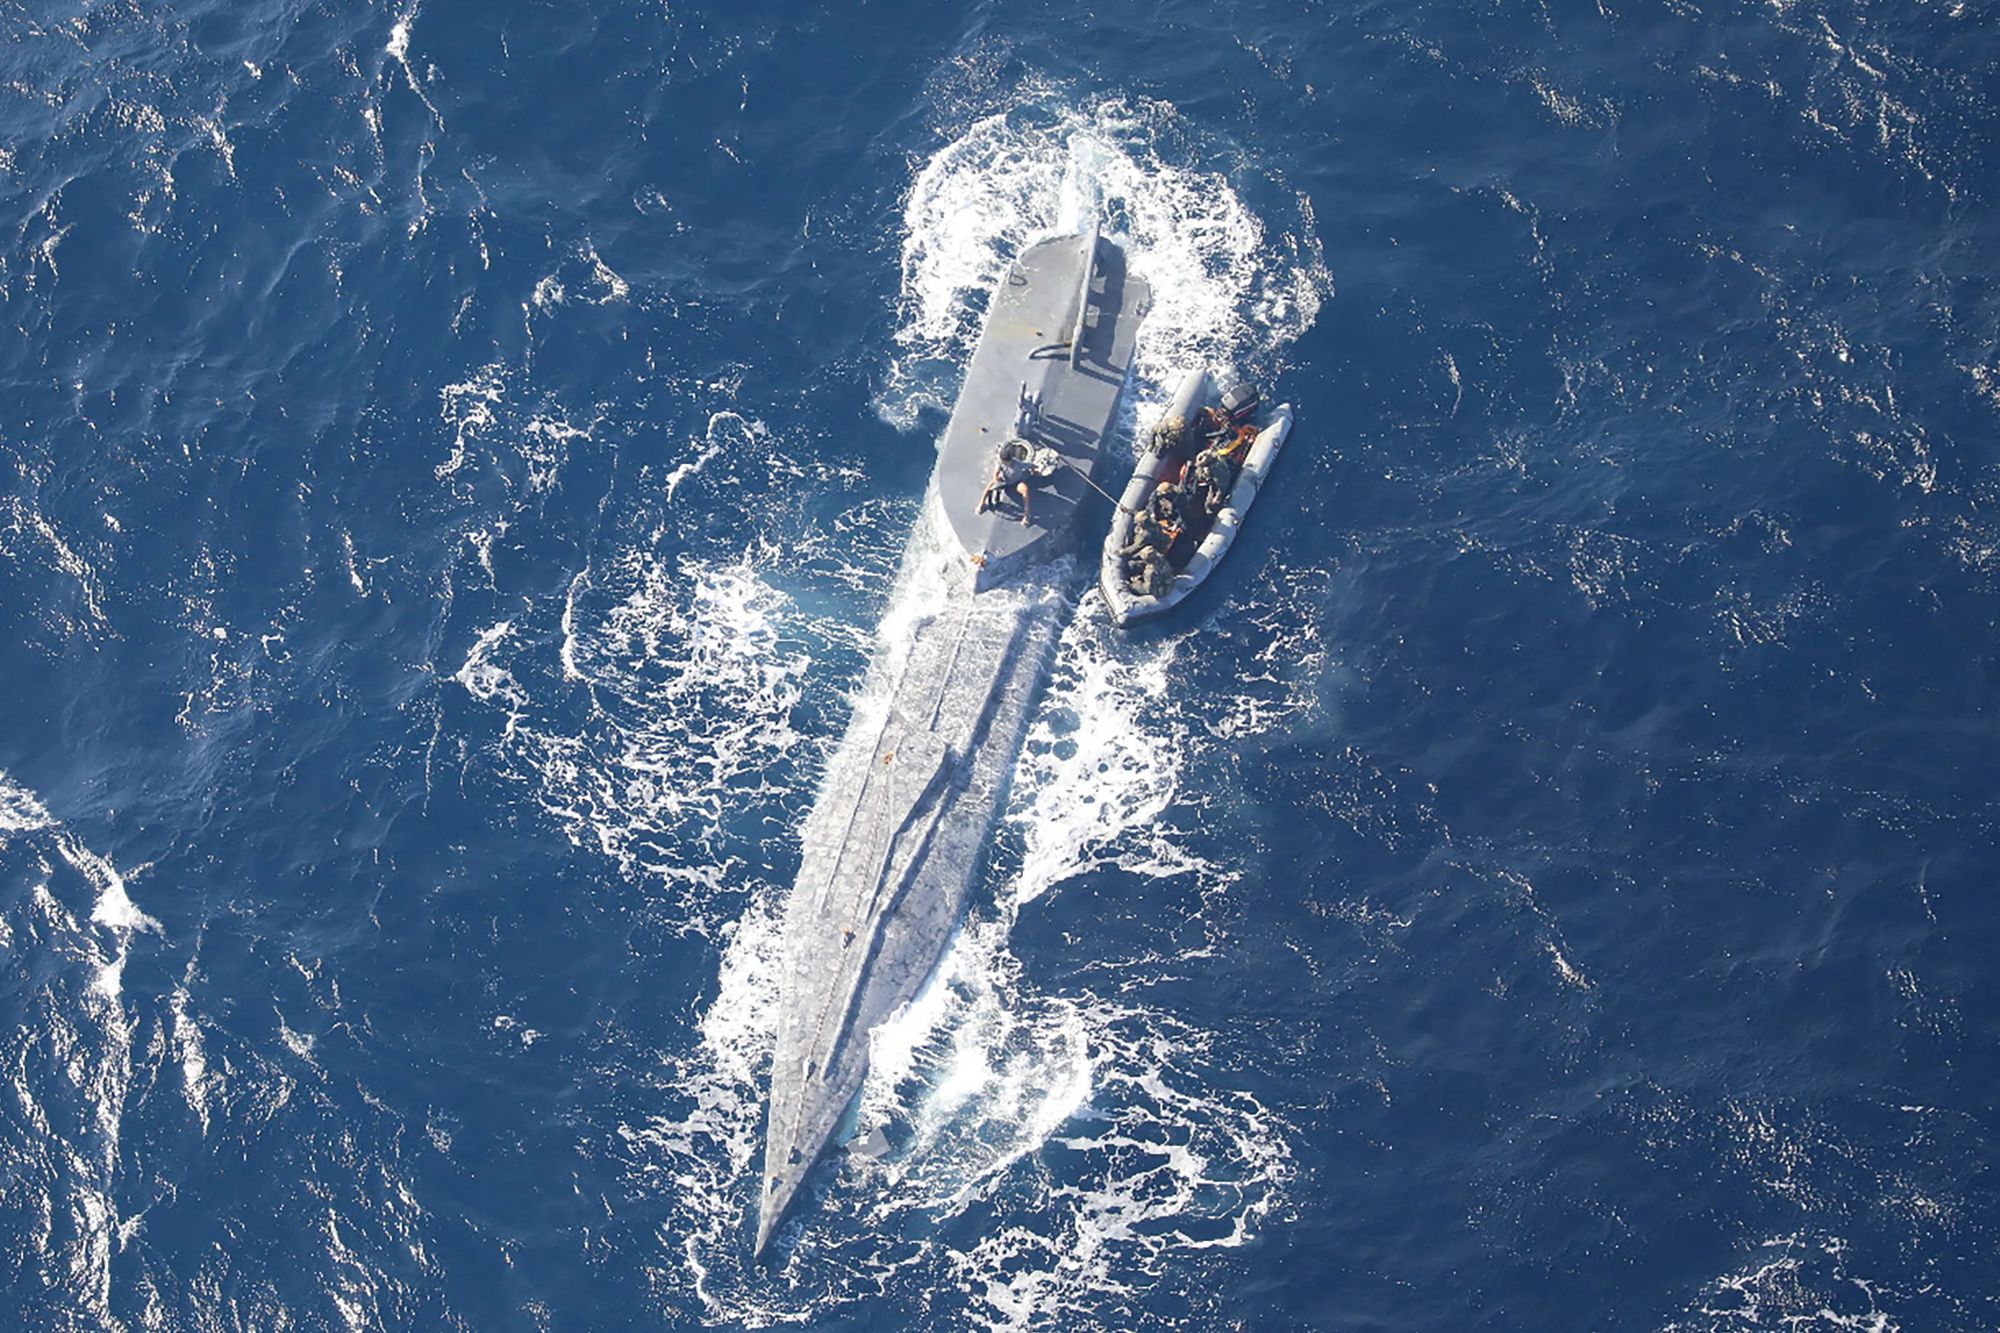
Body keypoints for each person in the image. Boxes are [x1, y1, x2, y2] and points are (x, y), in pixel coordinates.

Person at [978, 439, 1037, 524]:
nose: (1005, 463)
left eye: (1006, 462)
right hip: (1004, 481)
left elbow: (1031, 466)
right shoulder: (1000, 463)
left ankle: (1027, 514)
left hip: (1016, 483)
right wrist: (996, 481)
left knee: (1025, 490)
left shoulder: (1019, 464)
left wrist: (1036, 470)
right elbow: (995, 473)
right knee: (990, 484)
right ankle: (981, 504)